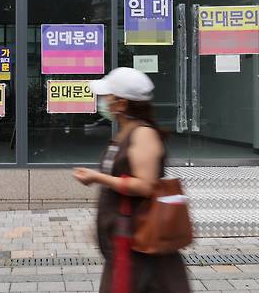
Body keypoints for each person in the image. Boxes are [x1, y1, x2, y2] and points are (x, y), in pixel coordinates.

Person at [73, 67, 190, 293]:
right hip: (124, 238)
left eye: (108, 97)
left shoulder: (142, 134)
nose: (103, 101)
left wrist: (98, 178)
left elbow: (144, 186)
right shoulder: (125, 132)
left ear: (122, 103)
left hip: (139, 242)